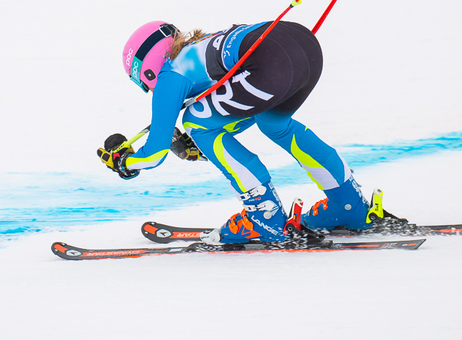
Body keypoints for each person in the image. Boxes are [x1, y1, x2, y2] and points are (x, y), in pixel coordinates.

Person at [98, 20, 372, 244]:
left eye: (141, 82)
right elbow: (249, 105)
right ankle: (348, 203)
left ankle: (265, 217)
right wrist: (204, 141)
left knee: (195, 120)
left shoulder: (170, 75)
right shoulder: (196, 50)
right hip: (303, 45)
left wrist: (125, 162)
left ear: (146, 70)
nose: (148, 89)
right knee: (274, 123)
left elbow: (154, 154)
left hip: (272, 64)